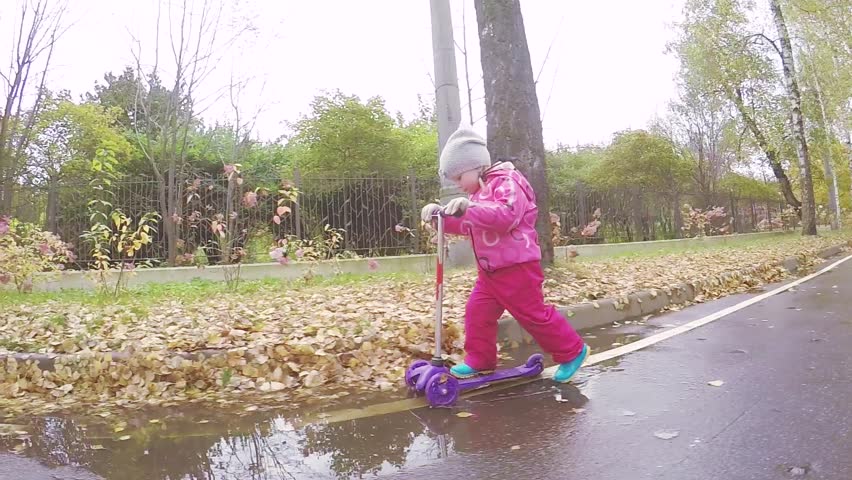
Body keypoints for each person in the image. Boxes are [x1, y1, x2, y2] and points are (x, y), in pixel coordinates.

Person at [421, 125, 589, 383]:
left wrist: (471, 208)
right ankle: (481, 359)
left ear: (476, 166)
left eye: (458, 177)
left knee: (532, 314)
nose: (458, 185)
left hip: (517, 267)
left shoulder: (509, 182)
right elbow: (469, 224)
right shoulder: (477, 195)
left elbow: (505, 216)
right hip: (490, 272)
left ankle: (573, 351)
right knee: (477, 312)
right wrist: (439, 217)